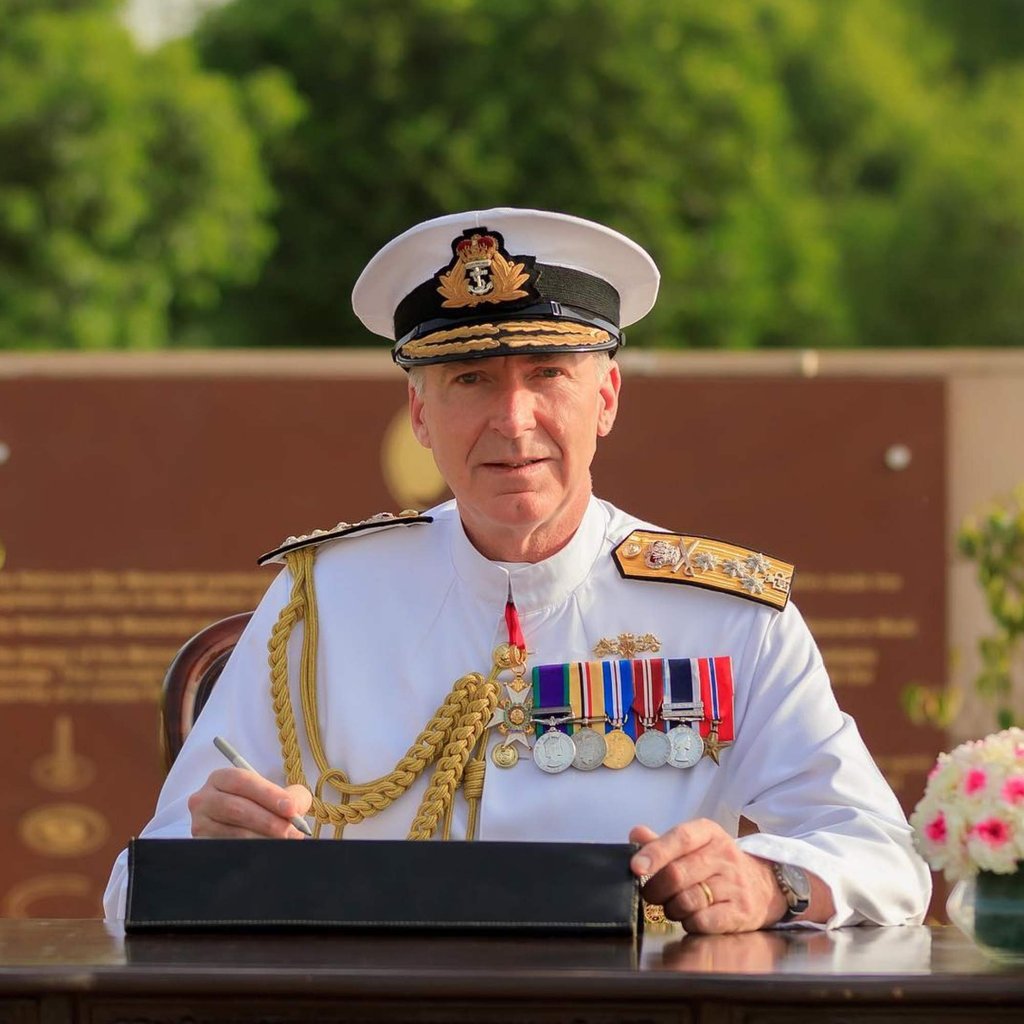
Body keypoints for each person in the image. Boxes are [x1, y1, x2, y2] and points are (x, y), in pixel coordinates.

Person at [103, 208, 931, 931]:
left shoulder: (726, 614)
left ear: (606, 398)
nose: (513, 418)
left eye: (548, 375)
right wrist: (211, 853)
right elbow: (129, 888)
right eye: (470, 379)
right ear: (420, 414)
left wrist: (769, 882)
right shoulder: (319, 603)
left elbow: (881, 855)